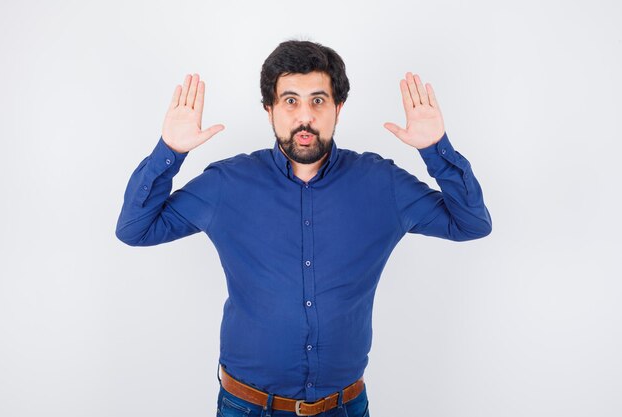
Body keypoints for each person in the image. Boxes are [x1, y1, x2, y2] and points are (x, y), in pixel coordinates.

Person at [115, 40, 492, 417]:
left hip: (342, 407)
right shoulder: (227, 184)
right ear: (270, 110)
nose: (304, 117)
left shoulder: (381, 183)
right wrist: (170, 151)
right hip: (246, 407)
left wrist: (435, 150)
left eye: (318, 100)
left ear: (337, 109)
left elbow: (471, 223)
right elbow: (136, 228)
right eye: (290, 101)